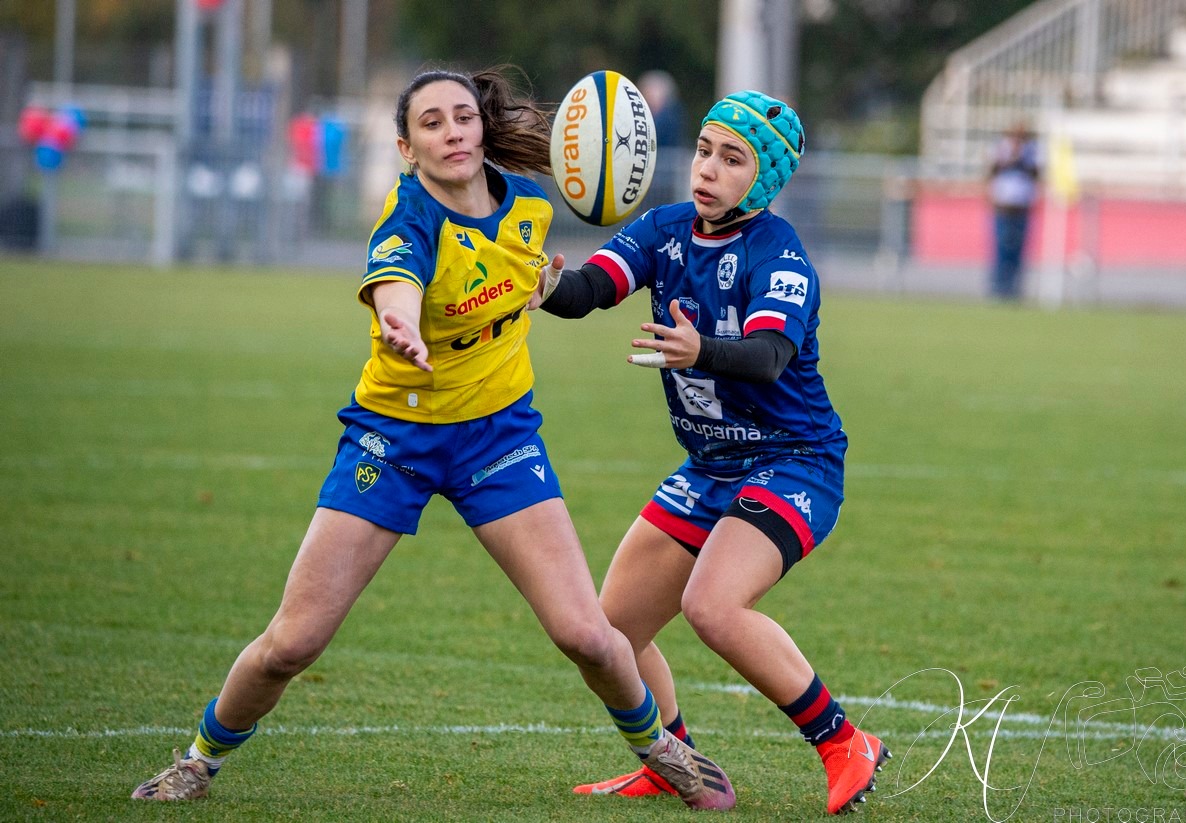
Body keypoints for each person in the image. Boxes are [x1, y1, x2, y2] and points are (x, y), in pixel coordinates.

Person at [130, 66, 735, 813]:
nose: (451, 131)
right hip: (393, 441)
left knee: (586, 631)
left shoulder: (529, 213)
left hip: (498, 438)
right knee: (292, 643)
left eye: (462, 117)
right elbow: (396, 279)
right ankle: (198, 759)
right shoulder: (406, 219)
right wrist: (400, 320)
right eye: (431, 123)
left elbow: (561, 287)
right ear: (406, 148)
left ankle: (664, 749)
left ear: (481, 128)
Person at [529, 91, 892, 816]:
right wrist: (546, 287)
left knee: (713, 605)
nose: (708, 169)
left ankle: (843, 740)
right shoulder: (663, 231)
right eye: (703, 150)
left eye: (733, 159)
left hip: (794, 461)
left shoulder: (777, 251)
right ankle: (677, 763)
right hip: (710, 469)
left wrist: (702, 349)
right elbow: (590, 291)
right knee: (611, 636)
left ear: (761, 180)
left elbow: (765, 356)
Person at [986, 122, 1040, 300]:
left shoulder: (1031, 152)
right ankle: (999, 289)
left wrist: (1022, 159)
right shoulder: (1000, 150)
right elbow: (991, 172)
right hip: (1003, 208)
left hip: (1021, 208)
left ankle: (1015, 289)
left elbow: (1035, 173)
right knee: (1001, 250)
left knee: (1018, 252)